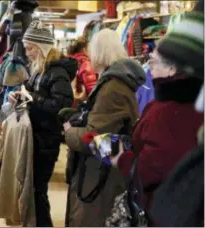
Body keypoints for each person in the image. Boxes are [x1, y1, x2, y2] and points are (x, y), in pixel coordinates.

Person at [111, 11, 204, 225]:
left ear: (172, 68)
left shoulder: (170, 111)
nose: (149, 71)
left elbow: (159, 164)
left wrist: (124, 160)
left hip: (167, 211)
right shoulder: (174, 103)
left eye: (153, 64)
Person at [63, 28, 146, 227]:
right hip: (108, 167)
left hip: (101, 173)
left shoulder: (112, 86)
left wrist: (69, 131)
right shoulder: (118, 82)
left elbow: (94, 137)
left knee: (93, 219)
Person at [8, 20, 77, 227]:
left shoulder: (57, 72)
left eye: (30, 48)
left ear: (41, 48)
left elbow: (61, 106)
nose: (27, 53)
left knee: (38, 189)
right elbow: (32, 94)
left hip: (46, 138)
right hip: (36, 135)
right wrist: (19, 96)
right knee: (34, 188)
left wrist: (31, 97)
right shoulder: (40, 69)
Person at [67, 37, 97, 103]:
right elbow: (92, 90)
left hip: (71, 101)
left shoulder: (70, 61)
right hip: (82, 102)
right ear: (84, 49)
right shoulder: (86, 64)